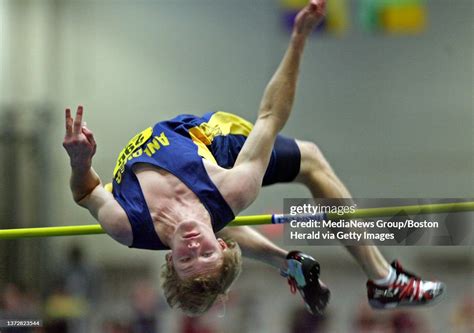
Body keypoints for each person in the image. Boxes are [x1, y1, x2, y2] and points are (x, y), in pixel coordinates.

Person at [62, 0, 444, 317]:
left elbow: (86, 192)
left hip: (190, 156)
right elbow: (270, 117)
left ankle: (284, 262)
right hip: (218, 147)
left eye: (186, 258)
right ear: (221, 248)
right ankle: (382, 280)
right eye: (205, 252)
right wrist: (299, 38)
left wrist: (80, 161)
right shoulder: (233, 187)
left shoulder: (124, 224)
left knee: (208, 219)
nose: (194, 245)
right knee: (308, 159)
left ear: (169, 261)